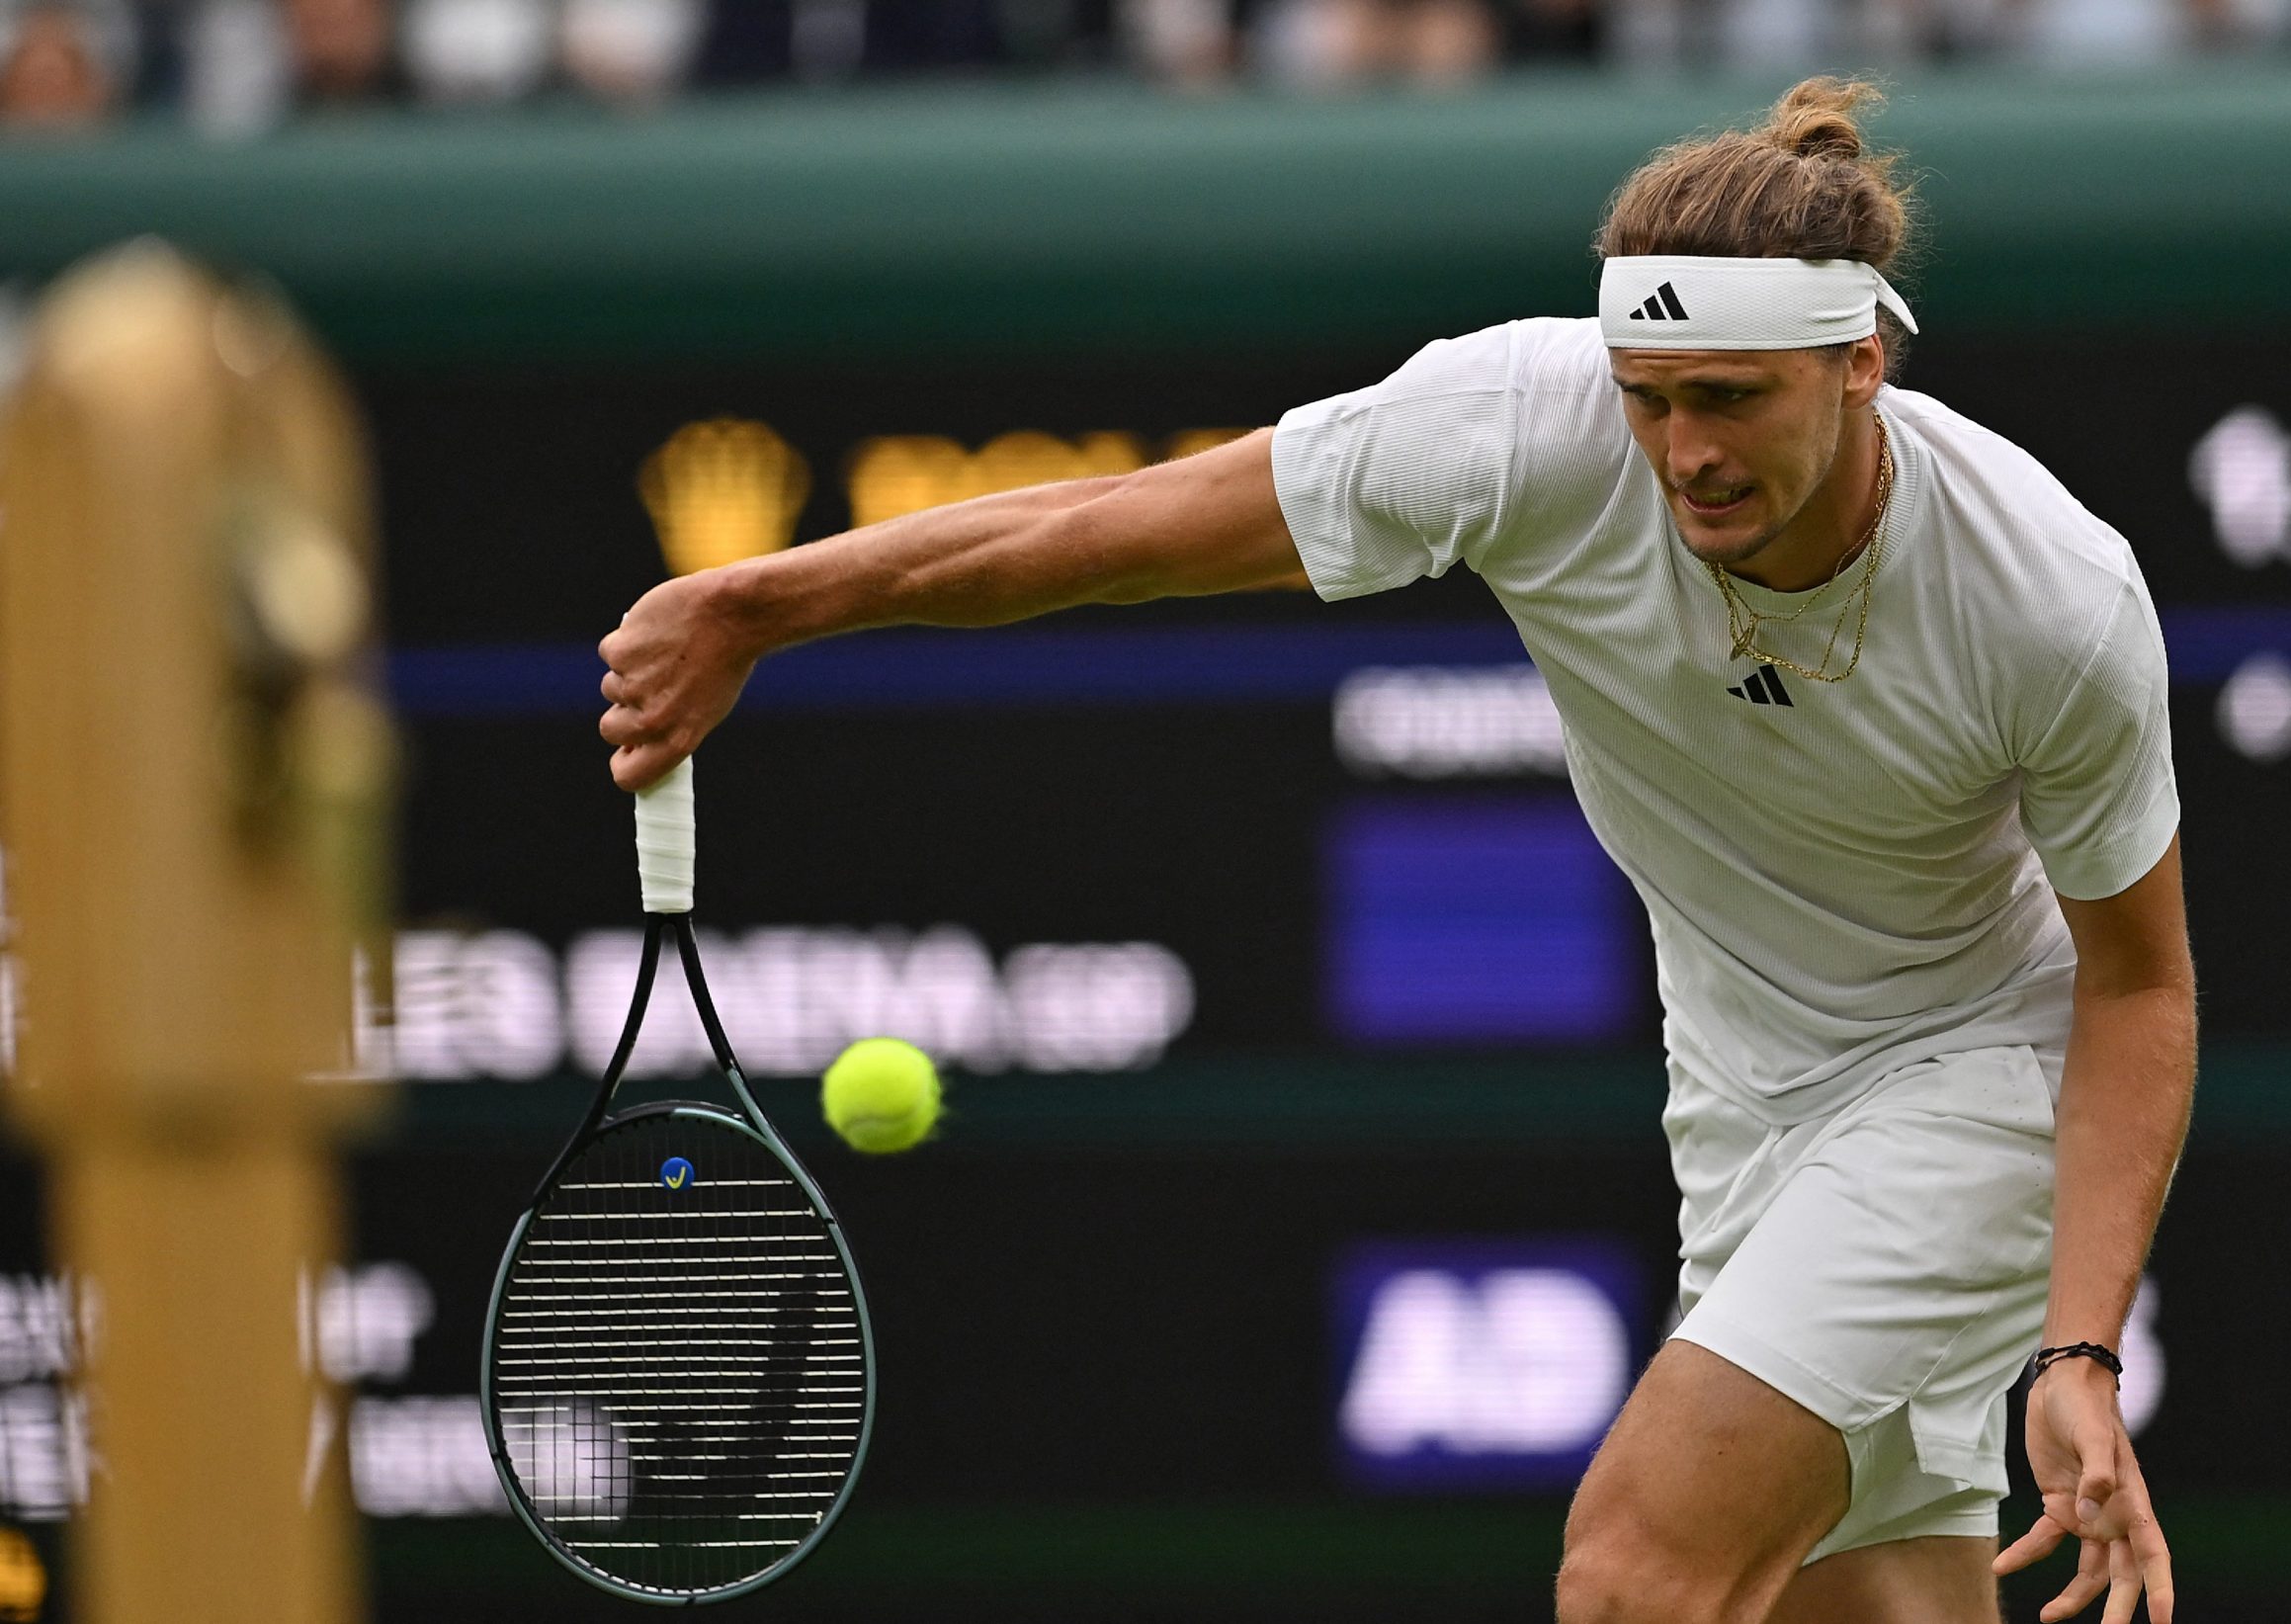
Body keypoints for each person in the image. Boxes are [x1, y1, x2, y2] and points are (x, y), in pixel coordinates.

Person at [599, 75, 2188, 1624]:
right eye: (1649, 399)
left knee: (1634, 1573)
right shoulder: (1518, 426)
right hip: (1740, 1089)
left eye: (1730, 399)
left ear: (1858, 365)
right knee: (1865, 1599)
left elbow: (2135, 990)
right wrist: (762, 600)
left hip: (1974, 1072)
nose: (1683, 449)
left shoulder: (2049, 591)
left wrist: (2077, 1350)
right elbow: (1098, 531)